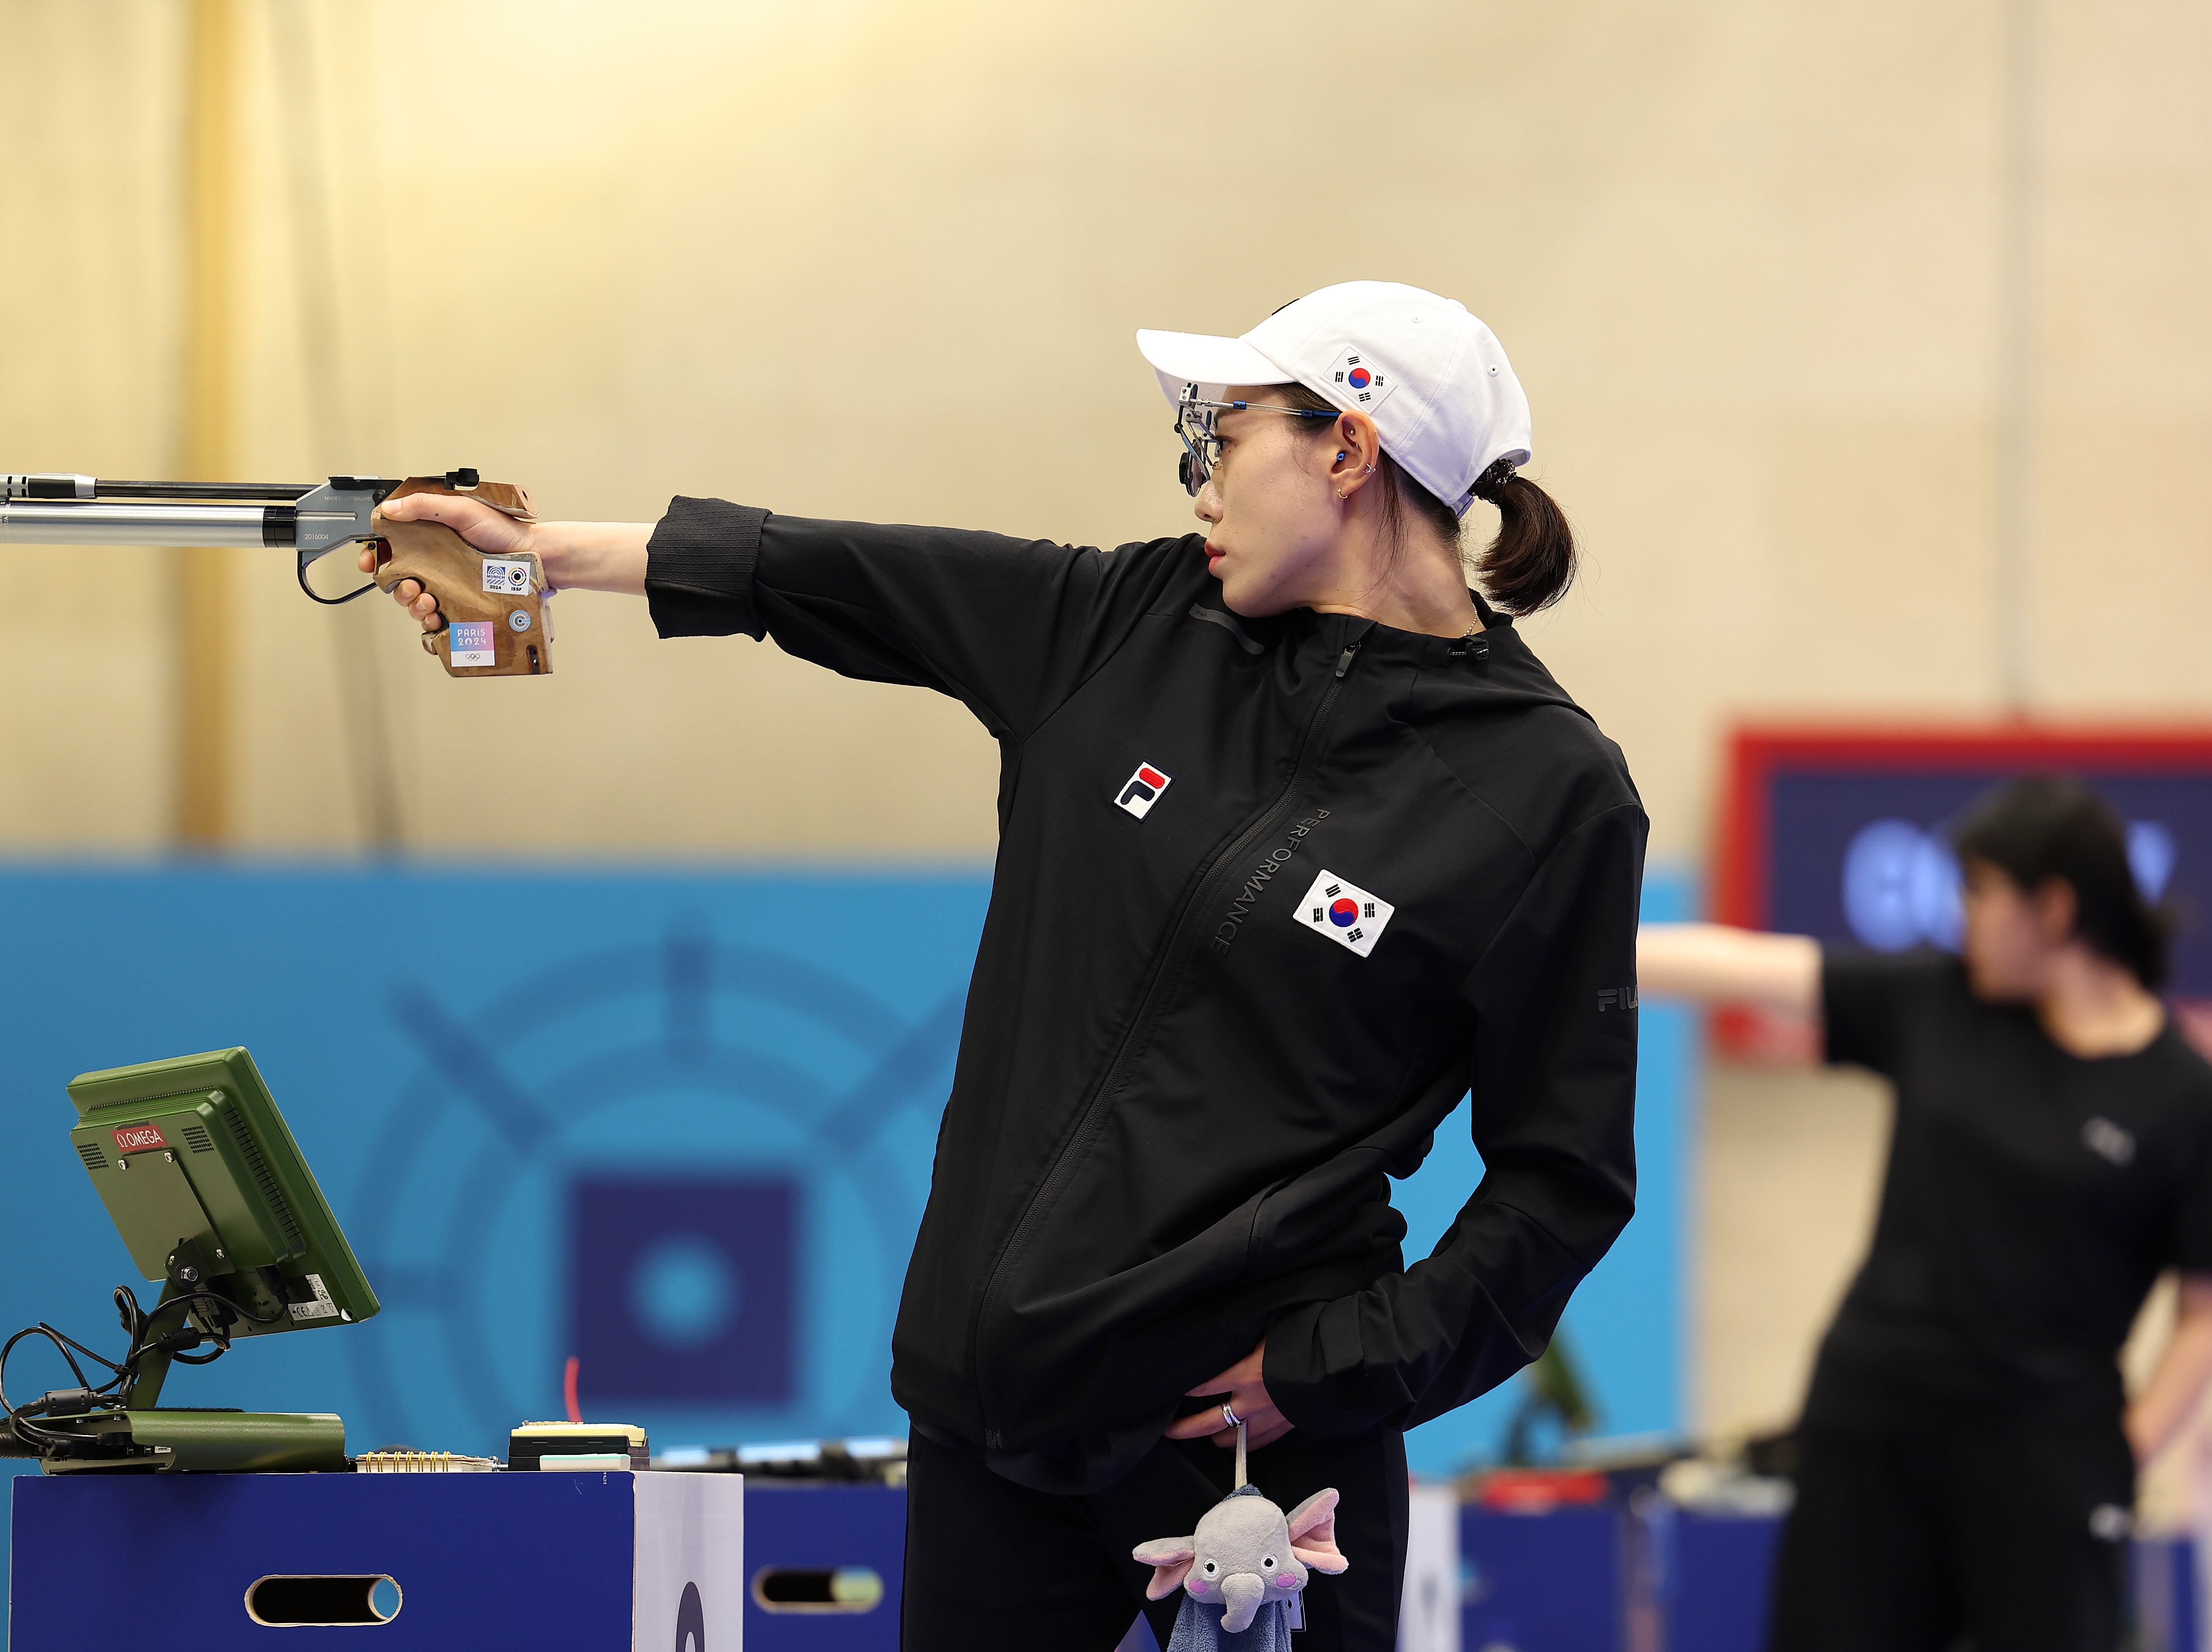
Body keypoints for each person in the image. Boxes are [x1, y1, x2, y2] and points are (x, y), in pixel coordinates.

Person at [370, 281, 1646, 1649]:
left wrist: (1332, 1370)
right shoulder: (1131, 621)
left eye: (1221, 441)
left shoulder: (1546, 790)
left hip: (1252, 1455)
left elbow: (1562, 1179)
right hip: (992, 1422)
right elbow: (832, 572)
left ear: (1346, 448)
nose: (1201, 487)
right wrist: (540, 556)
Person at [1640, 780, 2212, 1652]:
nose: (1960, 916)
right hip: (1873, 1427)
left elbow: (2203, 1312)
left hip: (2046, 1454)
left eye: (1979, 892)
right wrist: (1567, 938)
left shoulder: (2182, 1096)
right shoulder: (1940, 1005)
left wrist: (2121, 1454)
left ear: (2055, 908)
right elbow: (1745, 966)